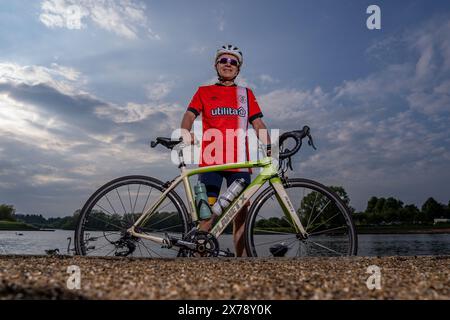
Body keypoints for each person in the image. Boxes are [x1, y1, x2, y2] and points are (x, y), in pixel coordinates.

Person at [180, 44, 271, 257]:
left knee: (241, 213)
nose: (228, 65)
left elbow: (258, 124)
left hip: (240, 162)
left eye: (233, 62)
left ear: (238, 68)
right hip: (211, 159)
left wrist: (270, 145)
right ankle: (198, 259)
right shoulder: (204, 91)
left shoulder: (246, 94)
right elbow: (190, 115)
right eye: (224, 60)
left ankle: (241, 261)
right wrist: (185, 131)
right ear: (216, 65)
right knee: (206, 215)